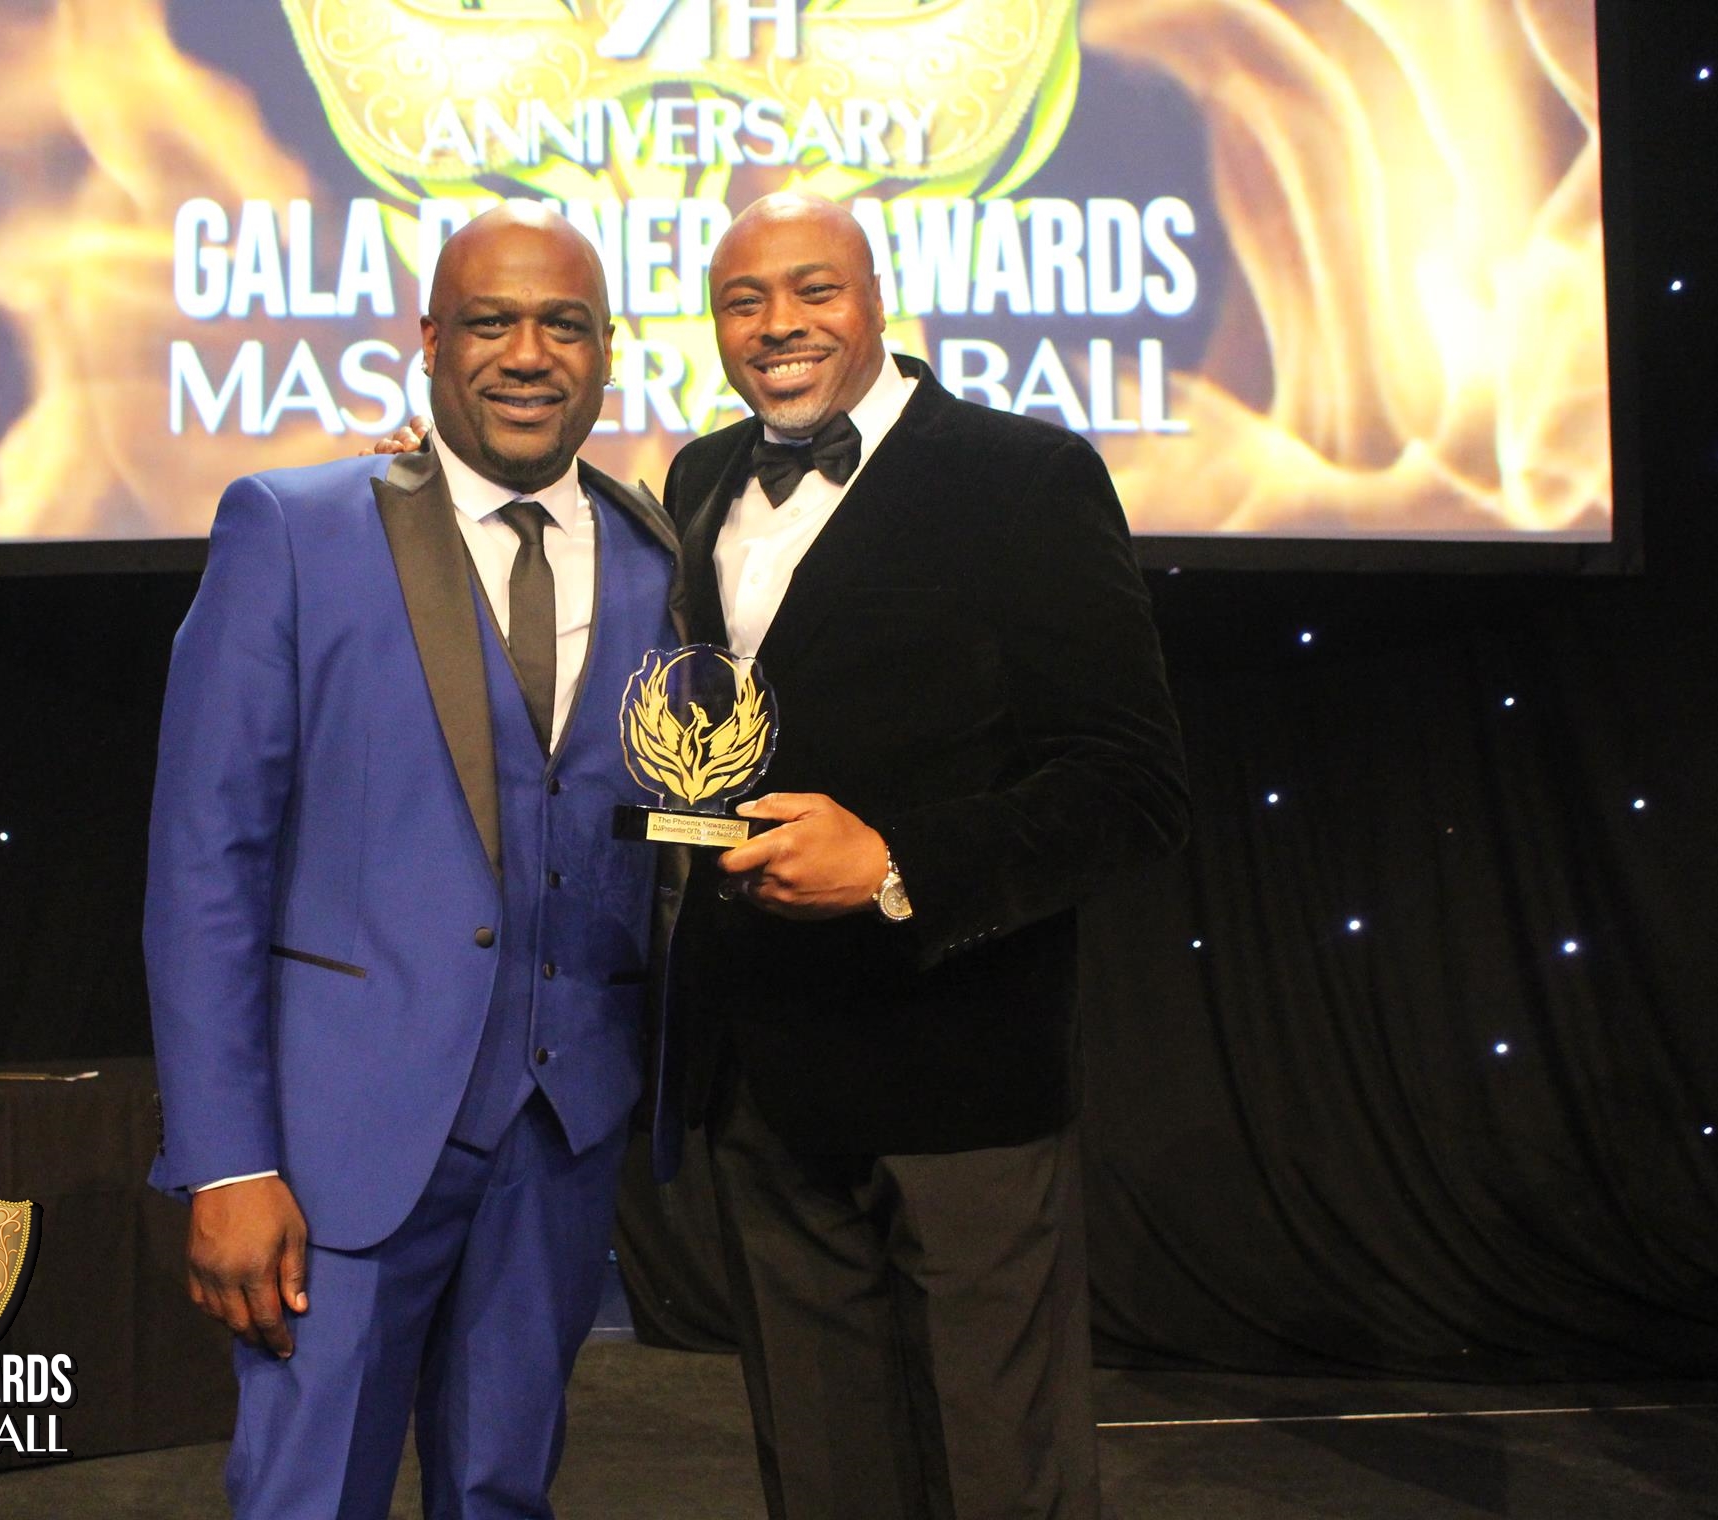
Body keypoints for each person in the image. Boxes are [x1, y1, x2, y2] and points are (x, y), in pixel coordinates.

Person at [143, 202, 679, 1520]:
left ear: (608, 351)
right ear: (432, 340)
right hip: (338, 1149)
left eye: (563, 324)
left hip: (561, 1134)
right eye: (492, 322)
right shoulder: (294, 526)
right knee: (309, 1499)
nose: (528, 354)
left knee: (502, 1493)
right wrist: (225, 1160)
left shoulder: (655, 555)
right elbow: (205, 865)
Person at [659, 192, 1190, 1520]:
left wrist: (899, 862)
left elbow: (1129, 783)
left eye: (814, 289)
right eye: (743, 300)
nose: (778, 324)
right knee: (822, 1473)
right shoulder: (698, 476)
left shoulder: (1026, 475)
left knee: (998, 1472)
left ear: (879, 299)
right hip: (761, 1070)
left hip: (960, 1067)